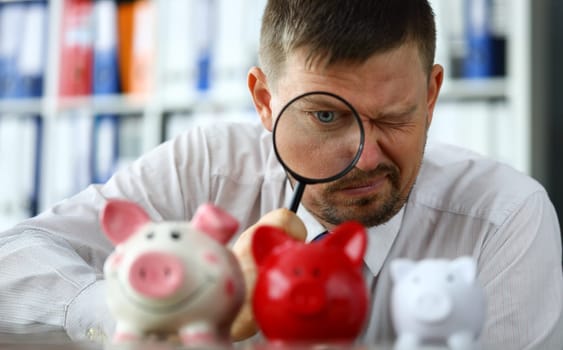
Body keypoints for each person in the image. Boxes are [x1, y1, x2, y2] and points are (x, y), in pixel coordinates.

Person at [0, 0, 561, 348]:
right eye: (325, 116)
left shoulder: (502, 218)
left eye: (395, 118)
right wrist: (136, 314)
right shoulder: (209, 168)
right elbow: (13, 259)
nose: (364, 158)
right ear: (265, 101)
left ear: (433, 94)